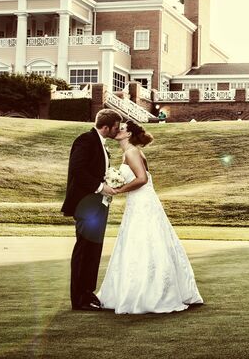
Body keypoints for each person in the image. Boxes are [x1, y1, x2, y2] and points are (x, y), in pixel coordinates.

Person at [97, 120, 203, 314]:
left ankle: (153, 294)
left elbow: (142, 179)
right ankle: (138, 290)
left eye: (122, 129)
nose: (118, 131)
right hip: (137, 202)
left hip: (142, 202)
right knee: (138, 242)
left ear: (128, 134)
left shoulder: (132, 152)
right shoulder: (127, 153)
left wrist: (118, 190)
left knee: (146, 241)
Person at [62, 109, 122, 311]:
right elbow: (78, 171)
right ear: (106, 127)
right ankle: (78, 299)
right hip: (85, 203)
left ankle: (88, 292)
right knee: (84, 248)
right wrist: (101, 187)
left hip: (98, 204)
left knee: (94, 249)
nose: (118, 130)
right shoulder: (85, 140)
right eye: (116, 127)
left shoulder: (102, 146)